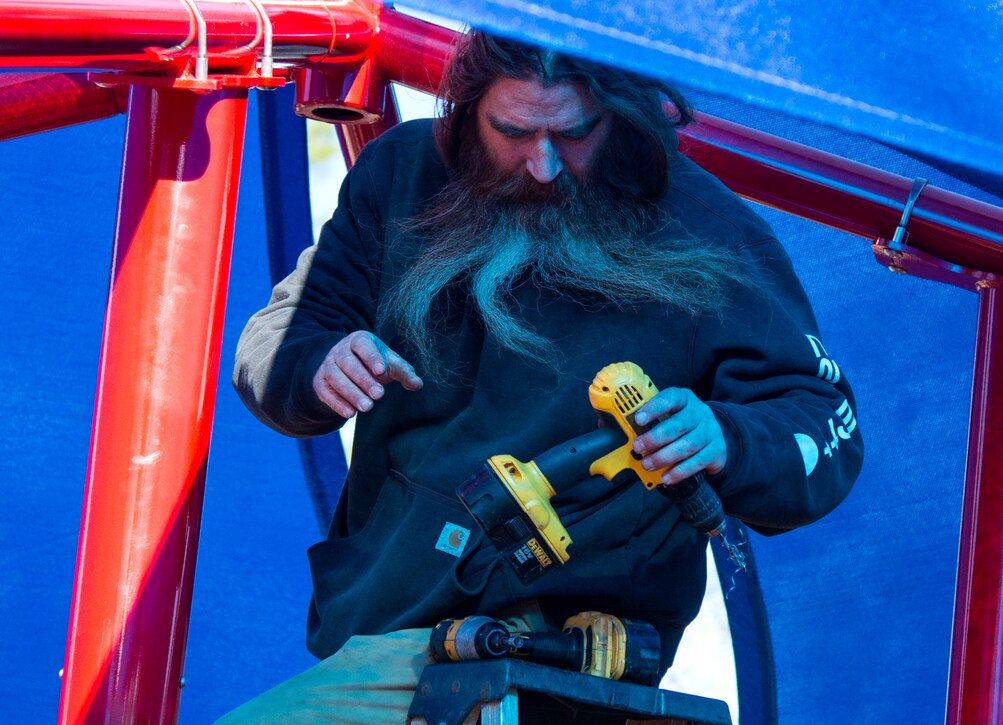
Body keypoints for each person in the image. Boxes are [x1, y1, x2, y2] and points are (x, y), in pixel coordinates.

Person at [225, 29, 863, 724]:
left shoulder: (707, 229)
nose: (543, 165)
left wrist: (727, 438)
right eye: (514, 131)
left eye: (574, 133)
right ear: (467, 110)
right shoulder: (400, 175)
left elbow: (820, 419)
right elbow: (281, 336)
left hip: (566, 658)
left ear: (622, 110)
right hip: (386, 635)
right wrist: (319, 363)